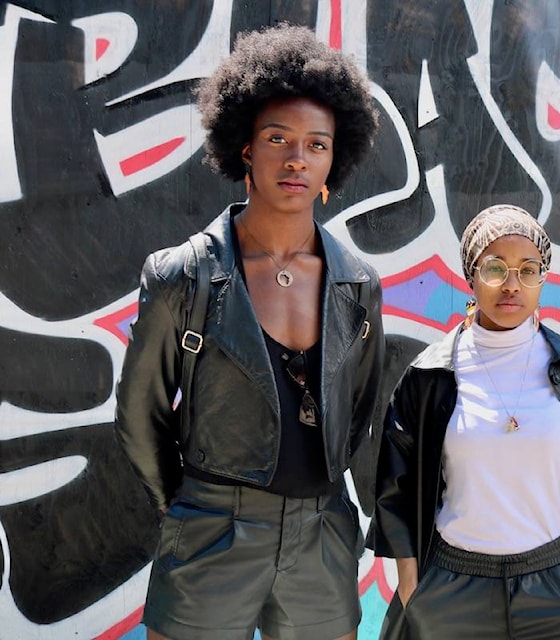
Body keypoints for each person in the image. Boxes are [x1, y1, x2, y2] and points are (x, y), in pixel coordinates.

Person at [114, 24, 383, 640]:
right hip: (211, 529)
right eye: (278, 138)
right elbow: (139, 413)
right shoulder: (183, 274)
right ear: (245, 149)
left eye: (317, 145)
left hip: (322, 531)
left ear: (332, 161)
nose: (296, 158)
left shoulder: (357, 284)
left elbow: (360, 408)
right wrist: (187, 507)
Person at [368, 204, 560, 640]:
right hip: (452, 590)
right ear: (471, 275)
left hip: (554, 587)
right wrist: (413, 587)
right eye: (495, 268)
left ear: (543, 277)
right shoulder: (430, 376)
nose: (511, 285)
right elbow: (396, 487)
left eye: (529, 270)